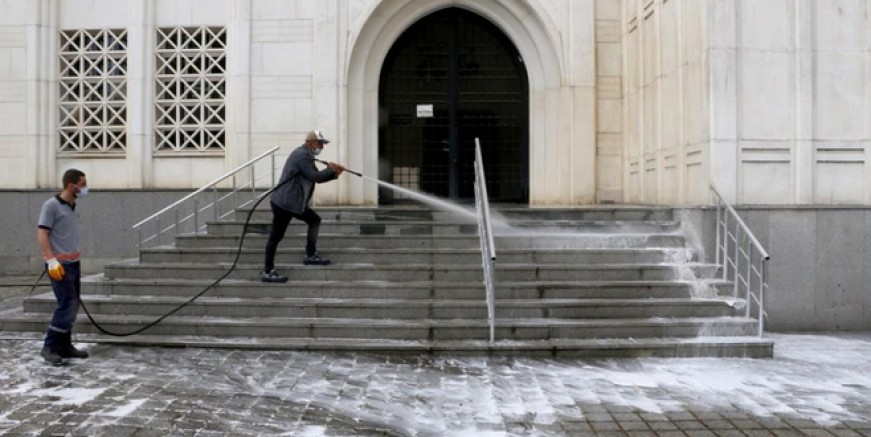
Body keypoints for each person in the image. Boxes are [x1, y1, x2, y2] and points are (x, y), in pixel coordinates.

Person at [261, 130, 345, 282]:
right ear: (310, 143)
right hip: (284, 203)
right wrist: (330, 169)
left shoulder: (307, 156)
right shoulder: (302, 156)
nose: (322, 147)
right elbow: (314, 176)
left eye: (323, 144)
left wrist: (333, 174)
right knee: (276, 237)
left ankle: (310, 255)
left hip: (294, 202)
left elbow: (317, 179)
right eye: (320, 143)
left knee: (314, 220)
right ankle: (268, 271)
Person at [37, 168, 90, 365]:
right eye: (82, 184)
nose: (85, 188)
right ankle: (49, 346)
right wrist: (50, 260)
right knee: (66, 304)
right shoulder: (51, 206)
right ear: (71, 185)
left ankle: (64, 345)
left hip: (74, 263)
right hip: (59, 265)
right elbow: (42, 233)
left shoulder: (72, 205)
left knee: (72, 304)